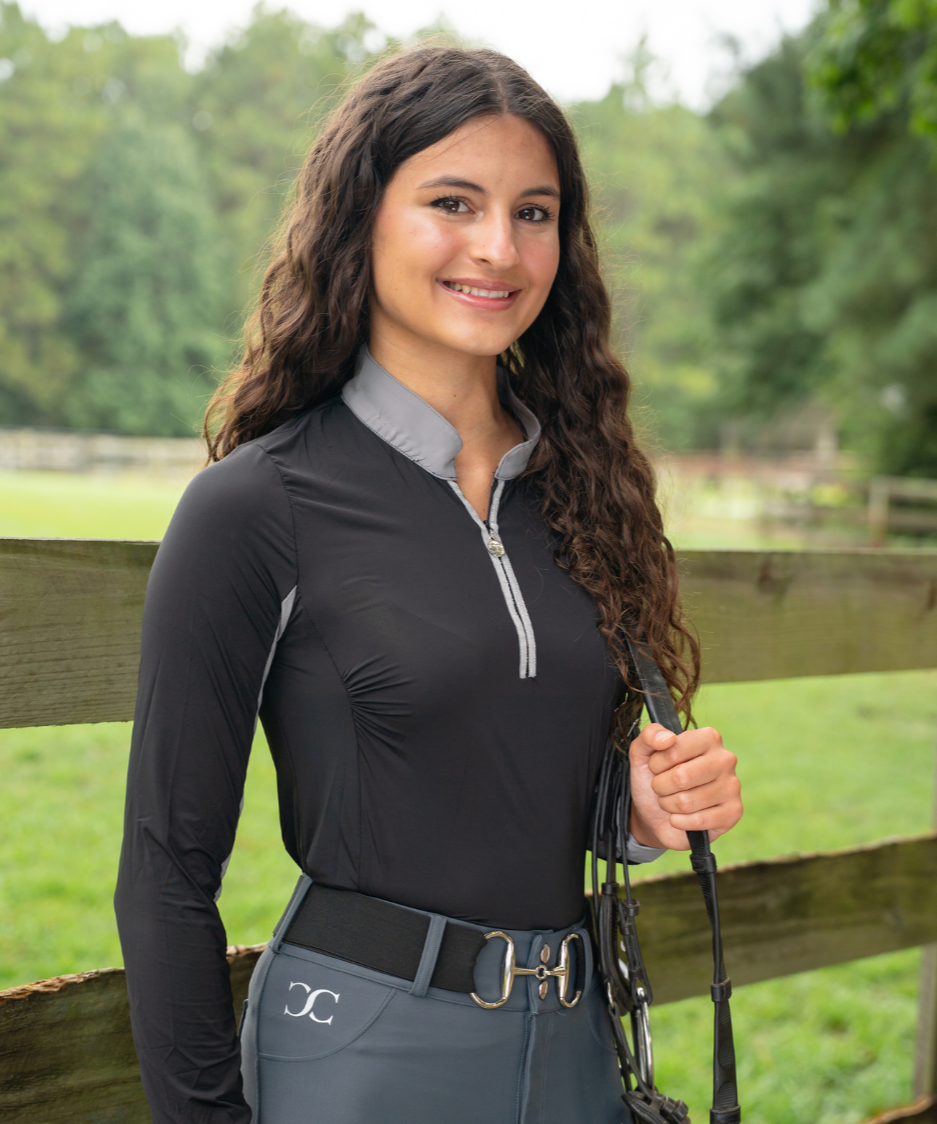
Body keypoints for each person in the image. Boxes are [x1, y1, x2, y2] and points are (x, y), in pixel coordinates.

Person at [115, 44, 742, 1124]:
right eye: (453, 201)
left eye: (533, 212)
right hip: (361, 1048)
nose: (497, 247)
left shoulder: (585, 492)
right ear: (362, 216)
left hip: (577, 1046)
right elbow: (166, 870)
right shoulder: (258, 505)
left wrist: (634, 813)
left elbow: (508, 772)